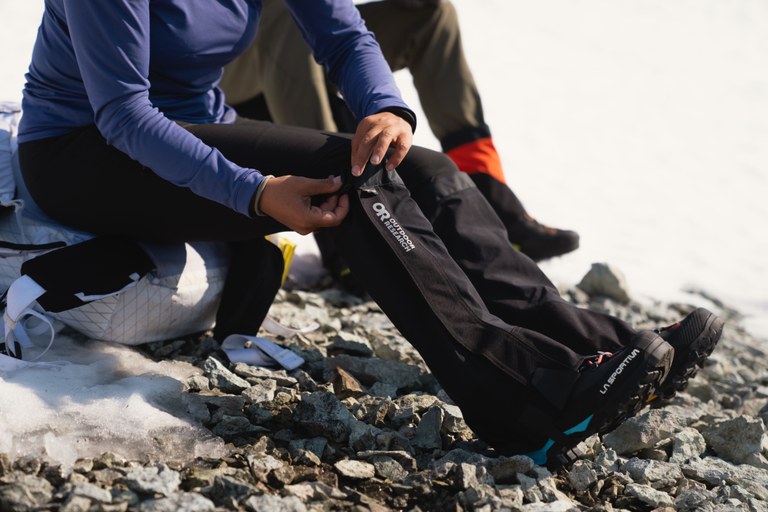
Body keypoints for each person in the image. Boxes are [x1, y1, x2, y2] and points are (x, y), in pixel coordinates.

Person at [17, 0, 722, 468]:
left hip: (198, 126)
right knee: (349, 186)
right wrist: (254, 193)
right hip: (85, 153)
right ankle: (523, 396)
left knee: (422, 168)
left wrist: (386, 109)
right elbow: (124, 113)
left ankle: (597, 346)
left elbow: (344, 35)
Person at [219, 0, 579, 270]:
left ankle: (492, 201)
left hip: (304, 44)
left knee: (431, 15)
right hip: (226, 71)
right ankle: (343, 230)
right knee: (285, 11)